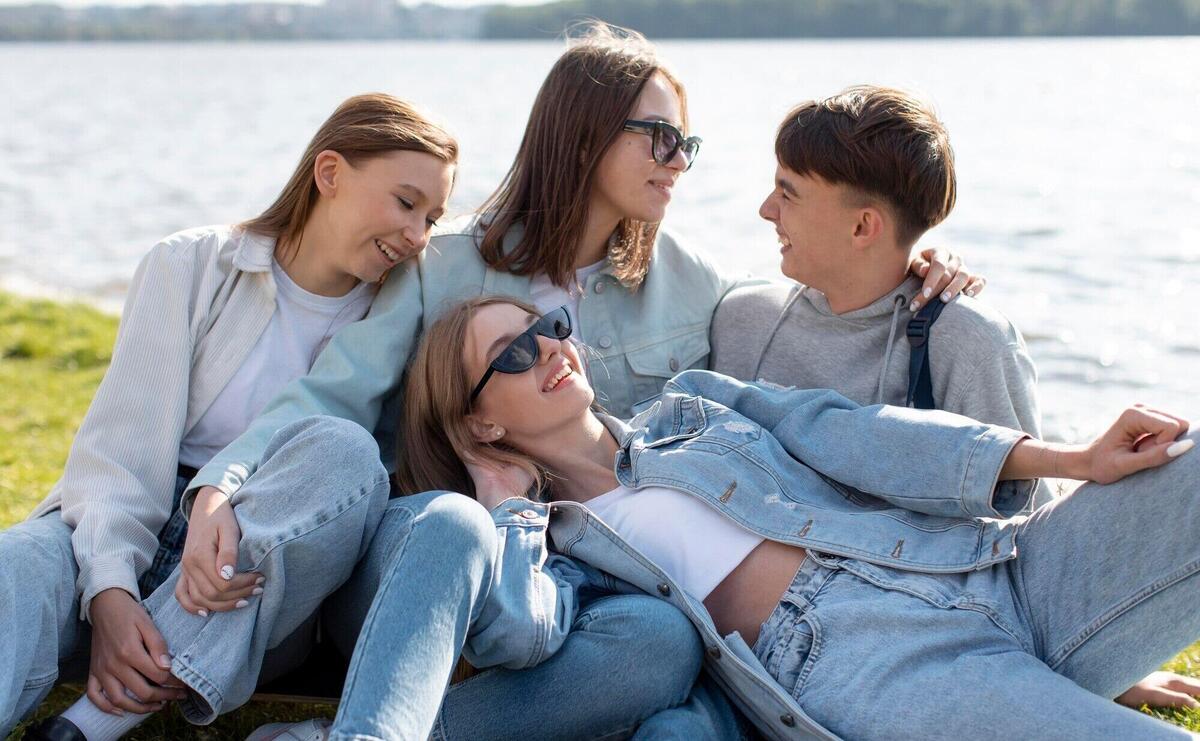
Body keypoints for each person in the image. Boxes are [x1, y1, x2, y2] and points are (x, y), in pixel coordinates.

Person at [215, 25, 976, 741]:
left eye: (688, 144)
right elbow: (325, 402)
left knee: (662, 644)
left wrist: (904, 266)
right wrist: (221, 485)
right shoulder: (438, 266)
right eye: (661, 138)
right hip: (438, 566)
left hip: (577, 590)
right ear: (583, 130)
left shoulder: (689, 282)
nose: (678, 161)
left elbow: (798, 345)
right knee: (457, 526)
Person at [400, 294, 1199, 740]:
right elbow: (518, 635)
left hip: (982, 566)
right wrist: (500, 500)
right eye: (511, 354)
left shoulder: (692, 403)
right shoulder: (553, 544)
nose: (548, 349)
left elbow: (852, 432)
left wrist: (1075, 460)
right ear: (479, 422)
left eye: (548, 326)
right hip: (857, 662)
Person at [711, 84, 1200, 710]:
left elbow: (1026, 532)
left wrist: (1107, 665)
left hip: (940, 623)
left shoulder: (965, 338)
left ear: (865, 225)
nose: (764, 210)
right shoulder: (740, 318)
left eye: (788, 193)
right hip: (786, 633)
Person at [2, 93, 458, 741]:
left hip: (251, 592)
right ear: (329, 174)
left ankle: (81, 729)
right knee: (17, 560)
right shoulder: (189, 265)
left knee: (343, 449)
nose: (418, 235)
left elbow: (350, 496)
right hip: (133, 534)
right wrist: (109, 593)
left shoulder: (399, 322)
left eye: (434, 217)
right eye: (406, 202)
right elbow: (119, 455)